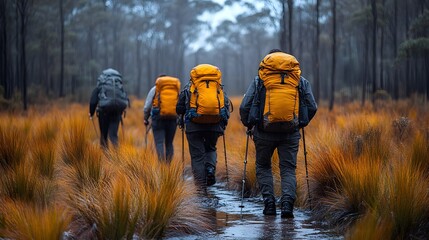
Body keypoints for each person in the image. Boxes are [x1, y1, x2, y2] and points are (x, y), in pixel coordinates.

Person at [239, 49, 317, 218]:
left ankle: (269, 204)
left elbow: (244, 106)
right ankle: (287, 205)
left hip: (263, 132)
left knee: (263, 166)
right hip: (290, 133)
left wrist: (249, 124)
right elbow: (312, 106)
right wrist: (300, 123)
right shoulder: (299, 81)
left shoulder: (260, 79)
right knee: (288, 169)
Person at [176, 64, 230, 189]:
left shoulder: (189, 87)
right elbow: (225, 106)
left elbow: (179, 108)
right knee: (211, 148)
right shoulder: (218, 88)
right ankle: (210, 169)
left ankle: (200, 188)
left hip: (193, 127)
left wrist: (183, 117)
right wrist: (224, 123)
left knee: (197, 156)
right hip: (215, 125)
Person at [143, 74, 181, 162]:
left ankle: (161, 166)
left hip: (158, 119)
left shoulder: (155, 89)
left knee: (159, 142)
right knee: (169, 143)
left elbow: (147, 106)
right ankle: (168, 167)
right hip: (172, 118)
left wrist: (146, 118)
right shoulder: (175, 90)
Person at [89, 68, 129, 149]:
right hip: (116, 111)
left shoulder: (102, 82)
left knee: (104, 135)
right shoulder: (118, 83)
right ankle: (116, 157)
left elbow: (93, 100)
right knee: (113, 135)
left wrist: (91, 112)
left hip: (103, 112)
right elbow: (125, 97)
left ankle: (105, 156)